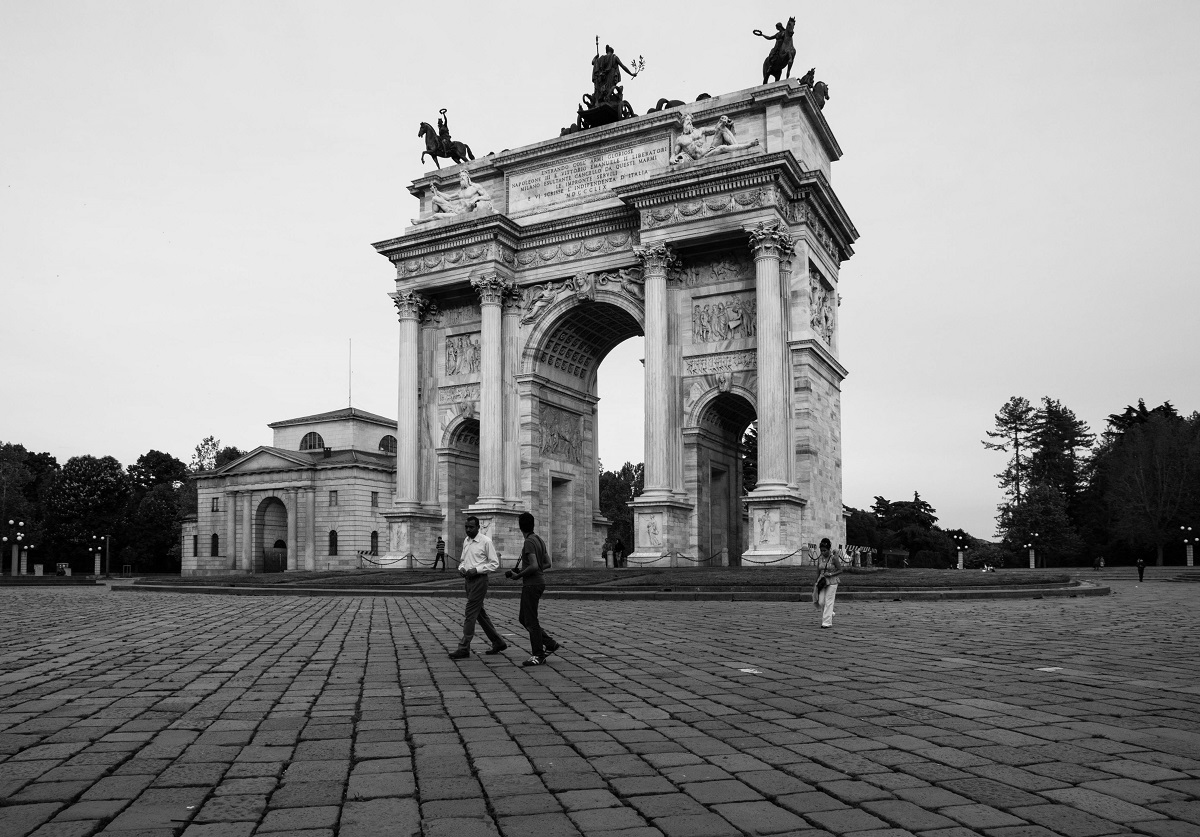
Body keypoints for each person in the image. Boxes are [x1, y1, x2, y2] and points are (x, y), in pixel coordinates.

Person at [505, 512, 560, 667]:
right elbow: (547, 563)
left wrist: (518, 575)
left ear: (520, 526)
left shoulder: (529, 542)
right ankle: (550, 644)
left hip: (532, 584)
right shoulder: (539, 540)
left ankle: (538, 654)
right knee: (524, 618)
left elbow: (535, 565)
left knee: (531, 620)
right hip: (539, 582)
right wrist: (530, 569)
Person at [448, 516, 507, 659]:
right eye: (466, 527)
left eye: (471, 527)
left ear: (478, 527)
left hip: (480, 580)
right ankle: (498, 642)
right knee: (479, 613)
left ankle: (464, 647)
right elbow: (463, 560)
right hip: (468, 581)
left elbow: (494, 563)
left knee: (470, 612)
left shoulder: (486, 542)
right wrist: (462, 568)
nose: (468, 530)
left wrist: (477, 570)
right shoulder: (466, 541)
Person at [814, 537, 844, 628]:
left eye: (825, 550)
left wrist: (831, 574)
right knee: (821, 601)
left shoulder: (833, 558)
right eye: (821, 550)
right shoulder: (820, 558)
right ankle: (830, 612)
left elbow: (840, 570)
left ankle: (826, 622)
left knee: (829, 601)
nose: (823, 552)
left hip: (832, 581)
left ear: (829, 549)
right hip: (822, 581)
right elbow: (818, 571)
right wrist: (816, 582)